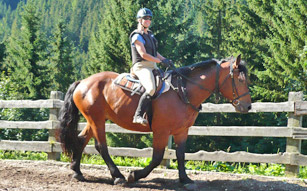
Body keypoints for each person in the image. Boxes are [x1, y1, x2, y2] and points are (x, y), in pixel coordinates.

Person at [130, 8, 172, 126]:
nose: (148, 20)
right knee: (151, 89)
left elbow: (154, 53)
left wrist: (164, 59)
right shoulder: (137, 36)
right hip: (141, 66)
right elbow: (143, 54)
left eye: (149, 18)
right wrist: (158, 61)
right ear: (139, 20)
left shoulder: (150, 35)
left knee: (168, 84)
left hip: (152, 65)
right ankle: (137, 115)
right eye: (145, 18)